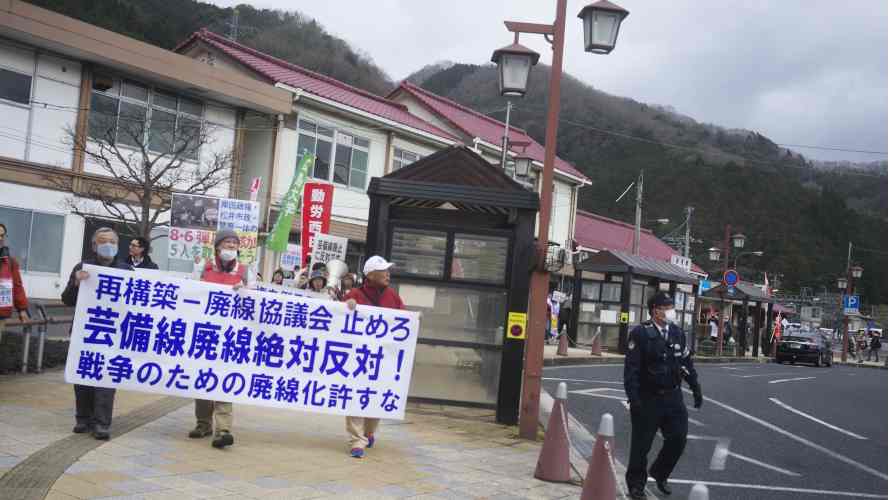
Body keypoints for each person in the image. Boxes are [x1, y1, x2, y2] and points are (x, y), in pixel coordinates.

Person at [624, 292, 702, 499]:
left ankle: (660, 473)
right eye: (666, 307)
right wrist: (634, 398)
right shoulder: (640, 333)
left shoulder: (677, 332)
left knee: (678, 438)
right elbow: (631, 370)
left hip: (673, 397)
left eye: (671, 306)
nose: (670, 311)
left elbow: (686, 362)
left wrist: (695, 387)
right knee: (641, 445)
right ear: (655, 311)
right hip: (648, 397)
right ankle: (635, 485)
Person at [61, 227, 133, 440]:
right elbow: (67, 300)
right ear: (94, 245)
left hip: (112, 334)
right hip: (85, 333)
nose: (108, 245)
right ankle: (83, 418)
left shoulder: (126, 270)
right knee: (83, 375)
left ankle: (102, 423)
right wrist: (76, 283)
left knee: (105, 378)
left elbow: (134, 305)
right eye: (103, 241)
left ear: (117, 245)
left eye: (112, 241)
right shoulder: (83, 267)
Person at [189, 229, 248, 449]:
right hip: (205, 332)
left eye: (234, 244)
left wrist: (245, 291)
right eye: (227, 243)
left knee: (224, 381)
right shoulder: (203, 267)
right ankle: (203, 423)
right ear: (217, 247)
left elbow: (255, 300)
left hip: (231, 336)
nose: (231, 247)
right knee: (203, 379)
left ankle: (223, 429)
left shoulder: (244, 271)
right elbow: (191, 292)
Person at [342, 255, 404, 458]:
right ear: (370, 274)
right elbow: (337, 318)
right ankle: (356, 440)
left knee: (376, 398)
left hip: (383, 359)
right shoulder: (355, 294)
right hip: (358, 358)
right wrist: (347, 305)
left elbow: (403, 319)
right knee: (355, 398)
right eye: (383, 270)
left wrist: (414, 319)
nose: (388, 274)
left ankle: (369, 432)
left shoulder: (393, 297)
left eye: (388, 270)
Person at [0, 223, 29, 326]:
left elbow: (17, 287)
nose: (0, 238)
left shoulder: (11, 262)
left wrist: (22, 309)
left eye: (2, 235)